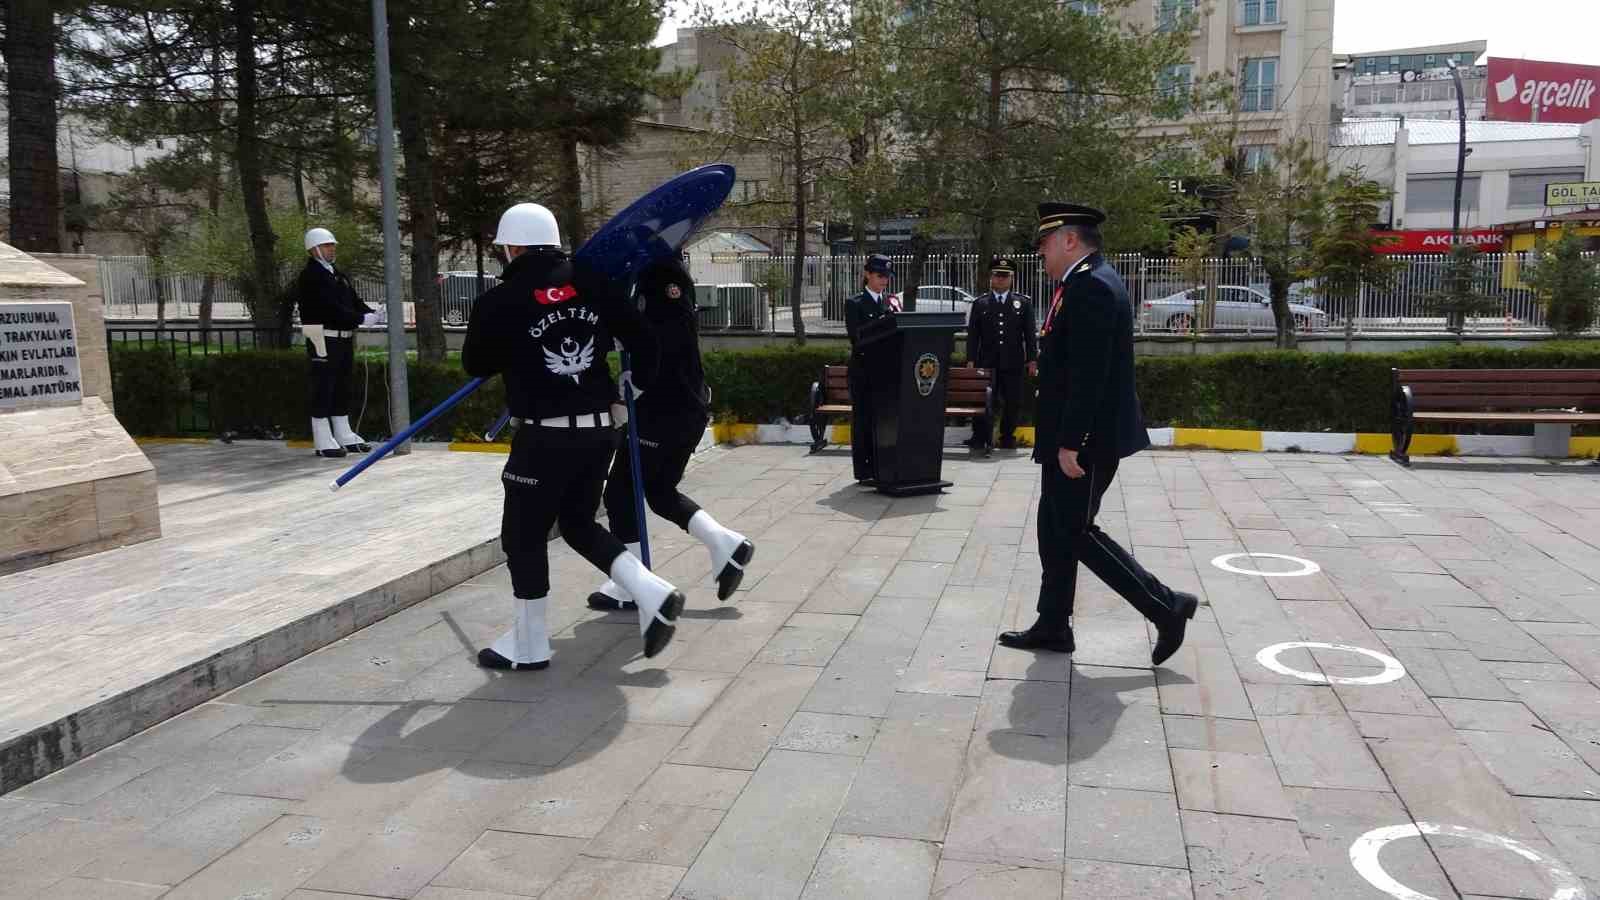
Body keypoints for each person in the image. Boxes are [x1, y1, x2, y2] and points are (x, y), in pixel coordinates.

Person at [462, 202, 685, 671]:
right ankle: (652, 589)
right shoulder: (592, 279)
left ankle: (529, 643)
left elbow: (475, 365)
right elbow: (646, 340)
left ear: (511, 247)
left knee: (522, 536)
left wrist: (513, 343)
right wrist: (631, 394)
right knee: (580, 523)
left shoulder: (500, 300)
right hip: (600, 432)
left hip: (544, 439)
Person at [999, 203, 1197, 666]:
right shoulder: (1082, 280)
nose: (1041, 253)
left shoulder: (1090, 286)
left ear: (1069, 240)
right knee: (1054, 529)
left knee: (1074, 532)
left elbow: (1090, 374)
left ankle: (1167, 607)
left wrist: (1071, 442)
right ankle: (1053, 624)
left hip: (1083, 441)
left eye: (1045, 244)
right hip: (1069, 436)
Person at [587, 258, 755, 612]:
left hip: (664, 411)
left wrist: (640, 378)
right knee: (660, 492)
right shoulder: (657, 272)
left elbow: (667, 339)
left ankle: (633, 584)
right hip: (678, 410)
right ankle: (725, 543)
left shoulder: (663, 274)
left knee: (620, 494)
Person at [298, 227, 377, 458]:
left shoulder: (336, 273)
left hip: (341, 337)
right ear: (314, 249)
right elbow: (330, 308)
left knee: (341, 386)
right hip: (322, 336)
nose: (332, 249)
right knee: (324, 386)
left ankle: (344, 435)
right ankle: (323, 440)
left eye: (332, 245)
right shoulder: (311, 276)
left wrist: (372, 313)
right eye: (326, 246)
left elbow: (353, 300)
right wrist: (361, 318)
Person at [965, 256, 1037, 451]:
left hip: (1013, 362)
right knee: (985, 400)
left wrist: (1032, 360)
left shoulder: (1022, 304)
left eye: (1005, 276)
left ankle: (1007, 436)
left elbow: (1030, 335)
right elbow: (973, 335)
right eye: (997, 276)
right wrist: (971, 360)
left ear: (1011, 278)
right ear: (991, 277)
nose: (1001, 280)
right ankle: (980, 436)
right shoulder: (980, 304)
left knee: (1013, 401)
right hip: (987, 362)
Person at [844, 254, 900, 483]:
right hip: (864, 372)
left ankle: (883, 466)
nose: (884, 280)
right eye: (879, 275)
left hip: (887, 372)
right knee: (864, 421)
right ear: (867, 274)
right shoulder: (855, 303)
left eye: (887, 276)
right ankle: (864, 470)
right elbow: (857, 338)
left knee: (884, 421)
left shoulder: (891, 302)